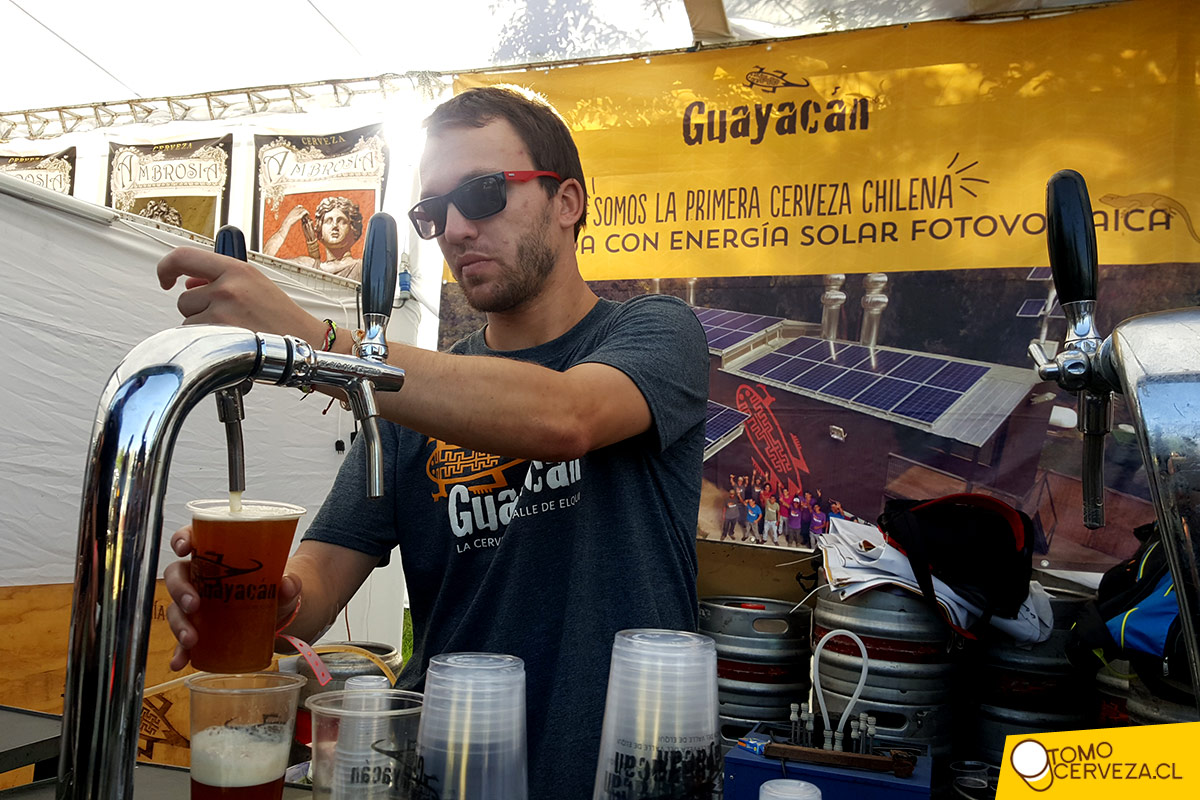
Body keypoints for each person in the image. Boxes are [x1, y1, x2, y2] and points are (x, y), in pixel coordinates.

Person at [156, 86, 709, 800]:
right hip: (453, 777)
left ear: (567, 201)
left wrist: (318, 344)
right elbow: (320, 581)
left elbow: (566, 418)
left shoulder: (656, 333)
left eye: (481, 194)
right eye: (432, 211)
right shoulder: (409, 393)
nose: (453, 228)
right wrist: (259, 599)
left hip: (620, 777)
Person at [263, 195, 365, 281]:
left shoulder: (362, 267)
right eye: (328, 221)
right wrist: (285, 226)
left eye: (341, 220)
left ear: (353, 228)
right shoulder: (309, 266)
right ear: (320, 230)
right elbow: (263, 265)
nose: (334, 226)